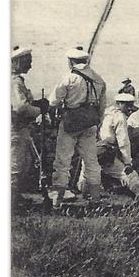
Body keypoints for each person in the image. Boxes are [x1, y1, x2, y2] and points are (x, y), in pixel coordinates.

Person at [50, 47, 107, 202]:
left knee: (63, 161)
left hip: (71, 122)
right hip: (90, 124)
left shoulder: (69, 78)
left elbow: (53, 101)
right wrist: (98, 123)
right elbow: (102, 106)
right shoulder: (98, 79)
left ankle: (57, 201)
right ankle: (95, 200)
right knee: (91, 161)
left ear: (70, 61)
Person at [11, 46, 48, 198]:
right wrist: (40, 110)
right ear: (17, 62)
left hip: (19, 129)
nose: (30, 65)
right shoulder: (14, 82)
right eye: (27, 61)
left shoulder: (15, 81)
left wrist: (37, 104)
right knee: (15, 166)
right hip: (16, 129)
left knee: (21, 165)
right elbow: (21, 107)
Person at [96, 92, 139, 200]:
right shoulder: (120, 117)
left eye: (131, 105)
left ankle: (88, 196)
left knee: (87, 175)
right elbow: (123, 141)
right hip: (108, 151)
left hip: (97, 149)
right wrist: (128, 162)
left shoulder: (106, 113)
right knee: (128, 174)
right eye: (127, 105)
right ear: (118, 104)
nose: (130, 108)